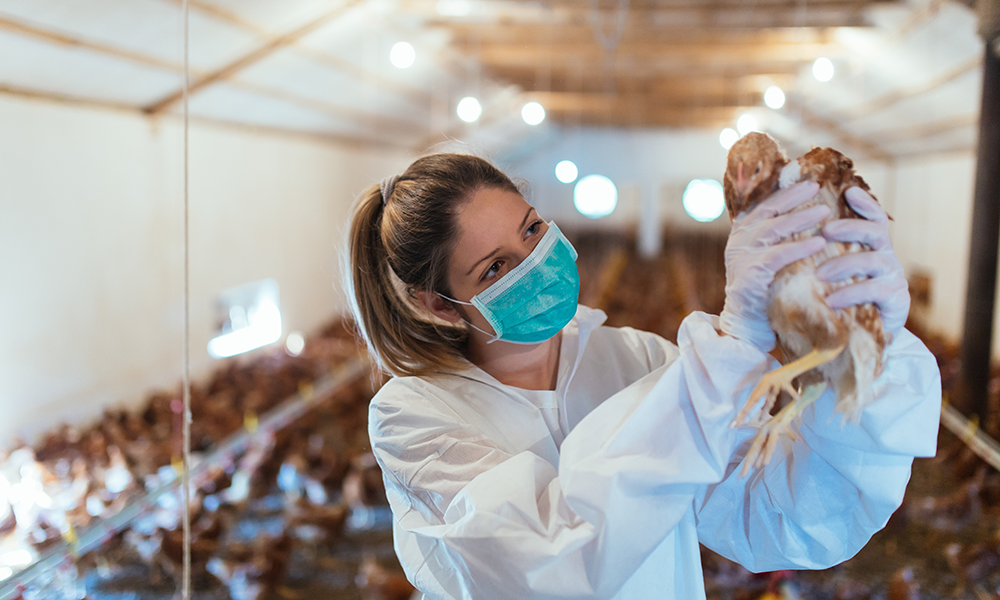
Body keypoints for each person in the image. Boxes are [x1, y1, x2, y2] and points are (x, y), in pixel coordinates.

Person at [343, 153, 940, 600]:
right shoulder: (412, 416)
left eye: (530, 230)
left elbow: (785, 517)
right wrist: (733, 347)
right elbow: (544, 568)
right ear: (439, 305)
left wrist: (863, 352)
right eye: (496, 266)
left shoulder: (641, 361)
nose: (535, 265)